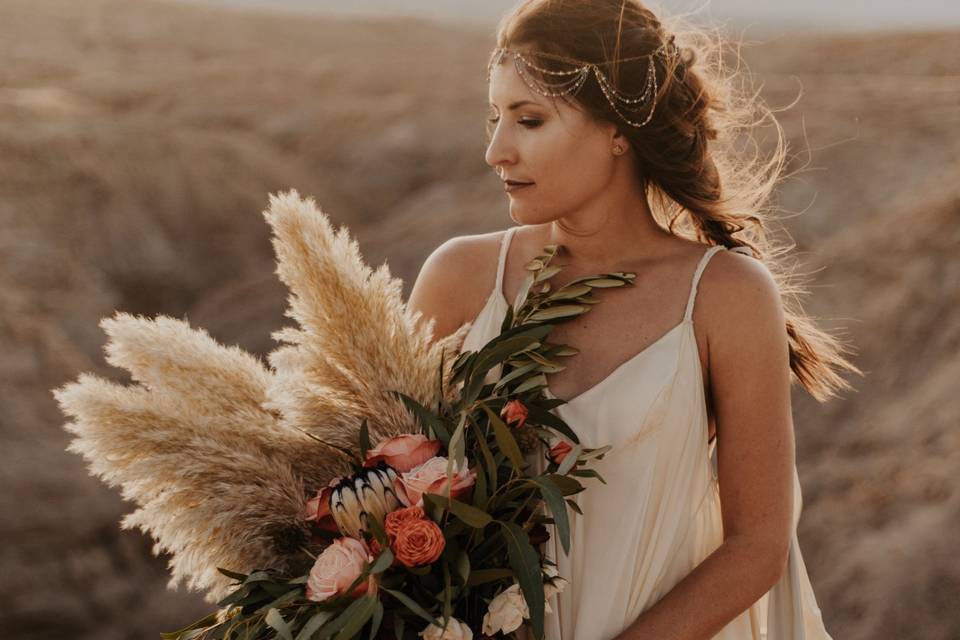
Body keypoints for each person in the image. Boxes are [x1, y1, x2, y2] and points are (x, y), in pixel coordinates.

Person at [407, 1, 860, 638]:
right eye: (495, 118)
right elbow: (385, 492)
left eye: (529, 120)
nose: (495, 151)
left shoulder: (725, 295)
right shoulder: (460, 278)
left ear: (618, 130)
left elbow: (759, 543)